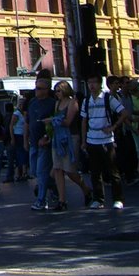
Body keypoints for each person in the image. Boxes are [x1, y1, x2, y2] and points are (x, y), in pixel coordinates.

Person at [81, 75, 130, 210]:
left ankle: (118, 199)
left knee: (112, 170)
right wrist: (84, 140)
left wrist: (113, 127)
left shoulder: (108, 99)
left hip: (106, 140)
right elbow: (84, 121)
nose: (91, 86)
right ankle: (98, 199)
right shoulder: (86, 101)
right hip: (92, 139)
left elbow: (124, 112)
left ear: (99, 84)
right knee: (95, 172)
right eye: (89, 82)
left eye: (94, 82)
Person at [48, 81, 91, 211]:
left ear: (65, 90)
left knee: (70, 170)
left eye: (59, 91)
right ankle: (62, 200)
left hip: (71, 137)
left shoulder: (73, 103)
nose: (57, 94)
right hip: (58, 138)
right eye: (56, 91)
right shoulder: (57, 104)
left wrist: (52, 120)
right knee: (57, 169)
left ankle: (86, 189)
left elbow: (67, 122)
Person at [25, 76, 56, 211]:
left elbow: (55, 123)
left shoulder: (52, 103)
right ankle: (55, 188)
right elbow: (28, 122)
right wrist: (26, 139)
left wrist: (46, 137)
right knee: (34, 171)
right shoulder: (32, 102)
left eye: (39, 88)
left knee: (41, 171)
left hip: (45, 143)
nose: (36, 90)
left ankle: (41, 200)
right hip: (33, 142)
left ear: (47, 90)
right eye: (36, 87)